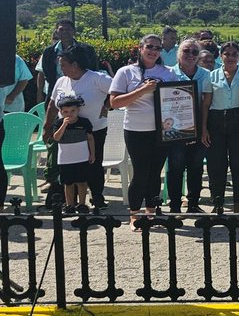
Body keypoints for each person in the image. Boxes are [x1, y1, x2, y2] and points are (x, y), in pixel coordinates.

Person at [109, 34, 178, 227]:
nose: (153, 51)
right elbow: (114, 102)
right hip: (135, 129)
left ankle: (151, 212)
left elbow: (176, 100)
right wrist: (142, 90)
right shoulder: (125, 72)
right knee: (140, 172)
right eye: (150, 47)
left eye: (157, 48)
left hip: (161, 130)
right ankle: (134, 214)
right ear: (141, 48)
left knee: (155, 172)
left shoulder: (168, 72)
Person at [45, 49, 111, 210]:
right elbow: (52, 105)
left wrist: (107, 106)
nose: (62, 69)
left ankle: (96, 197)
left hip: (93, 129)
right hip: (66, 132)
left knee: (93, 163)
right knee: (69, 166)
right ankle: (71, 201)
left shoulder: (97, 78)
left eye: (64, 65)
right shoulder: (62, 81)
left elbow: (119, 90)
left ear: (75, 65)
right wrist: (46, 127)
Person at [167, 38, 212, 213]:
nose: (190, 55)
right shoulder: (168, 73)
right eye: (186, 51)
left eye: (194, 52)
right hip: (174, 129)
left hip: (197, 127)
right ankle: (175, 206)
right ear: (179, 53)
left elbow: (205, 104)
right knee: (175, 167)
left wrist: (203, 129)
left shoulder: (205, 74)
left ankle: (193, 203)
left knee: (196, 166)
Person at [207, 41, 239, 213]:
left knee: (238, 163)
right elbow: (206, 104)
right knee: (216, 164)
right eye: (227, 54)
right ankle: (218, 202)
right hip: (215, 120)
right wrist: (204, 128)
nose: (230, 58)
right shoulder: (211, 76)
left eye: (234, 54)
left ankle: (238, 202)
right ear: (221, 56)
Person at [50, 94, 94, 214]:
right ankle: (70, 205)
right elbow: (56, 137)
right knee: (68, 183)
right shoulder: (58, 123)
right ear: (61, 112)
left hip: (82, 157)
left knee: (82, 182)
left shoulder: (84, 122)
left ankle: (82, 204)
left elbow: (90, 138)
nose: (69, 114)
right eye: (66, 112)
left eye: (72, 111)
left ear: (78, 110)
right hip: (65, 159)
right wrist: (64, 124)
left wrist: (92, 154)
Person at [39, 18, 99, 100]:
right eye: (61, 29)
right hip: (56, 92)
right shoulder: (49, 52)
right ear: (56, 32)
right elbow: (47, 73)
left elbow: (93, 69)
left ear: (74, 31)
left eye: (68, 29)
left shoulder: (87, 50)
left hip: (82, 93)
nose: (64, 32)